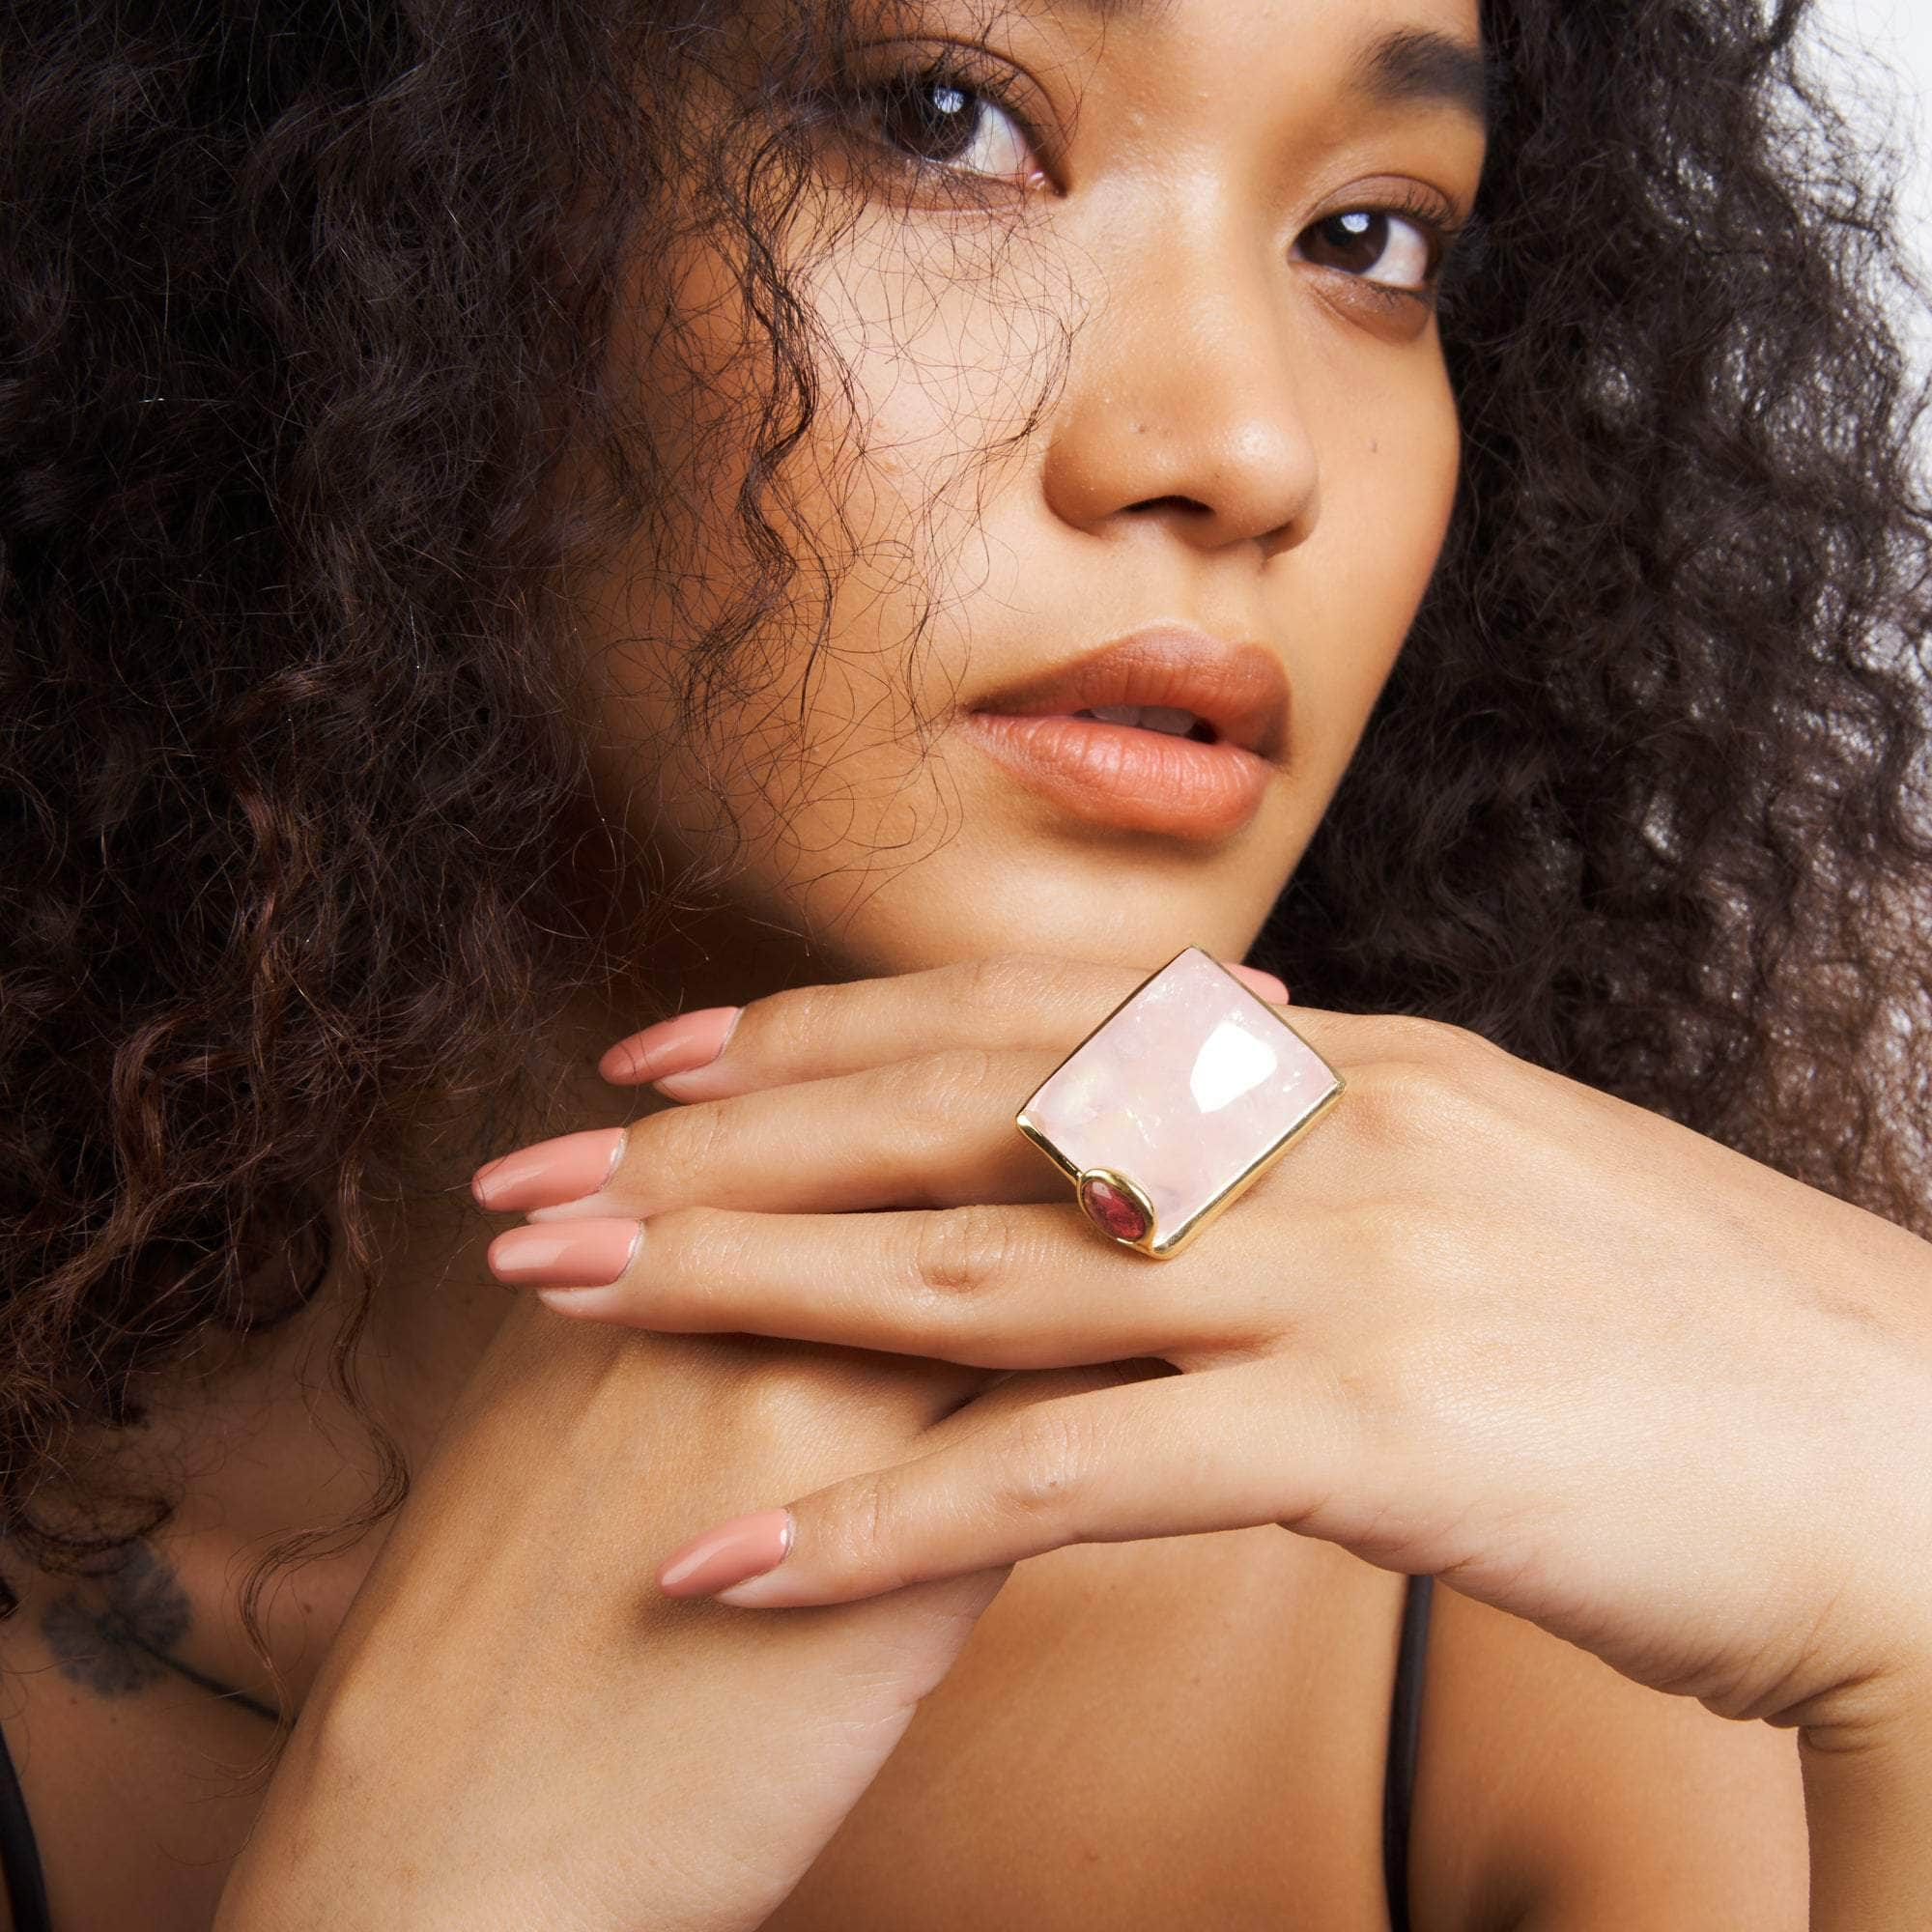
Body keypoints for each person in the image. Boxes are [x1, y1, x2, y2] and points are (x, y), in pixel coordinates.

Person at [3, 0, 1930, 1924]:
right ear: (398, 227)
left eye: (1369, 238)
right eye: (947, 125)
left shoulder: (1585, 1608)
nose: (1247, 451)